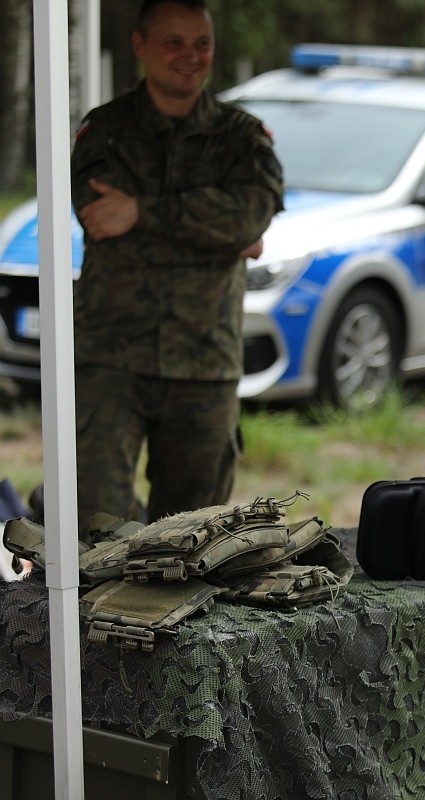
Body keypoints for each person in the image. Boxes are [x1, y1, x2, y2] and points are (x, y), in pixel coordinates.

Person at [70, 0, 284, 537]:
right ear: (140, 46)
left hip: (203, 361)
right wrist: (220, 233)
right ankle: (98, 622)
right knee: (96, 523)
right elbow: (97, 217)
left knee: (191, 536)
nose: (190, 57)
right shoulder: (106, 131)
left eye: (202, 44)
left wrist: (141, 212)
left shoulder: (242, 136)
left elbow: (251, 216)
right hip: (111, 358)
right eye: (173, 42)